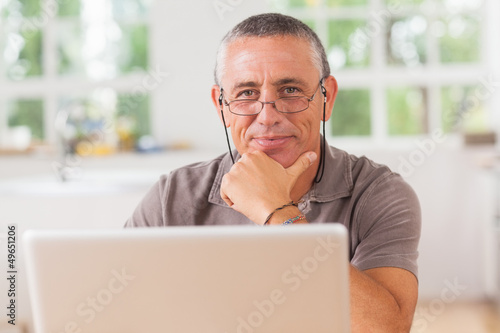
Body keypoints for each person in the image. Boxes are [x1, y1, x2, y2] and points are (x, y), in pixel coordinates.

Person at [126, 13, 421, 332]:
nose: (267, 116)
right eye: (246, 93)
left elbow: (386, 327)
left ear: (327, 98)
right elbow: (118, 311)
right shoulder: (171, 197)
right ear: (221, 105)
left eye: (291, 89)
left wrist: (277, 213)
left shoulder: (380, 194)